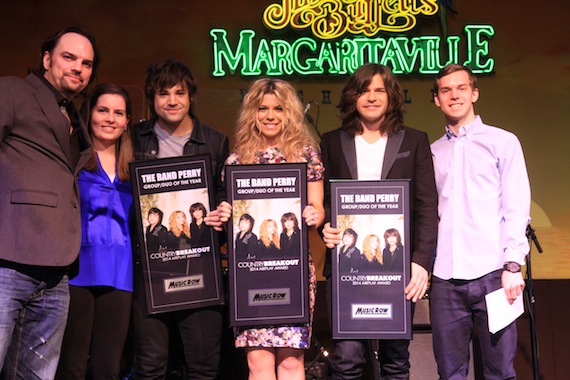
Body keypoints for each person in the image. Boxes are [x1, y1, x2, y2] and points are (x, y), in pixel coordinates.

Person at [320, 63, 438, 379]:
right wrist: (324, 228)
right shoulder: (330, 142)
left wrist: (421, 262)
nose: (371, 97)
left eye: (379, 90)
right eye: (363, 90)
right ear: (352, 97)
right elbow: (325, 204)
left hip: (397, 268)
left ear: (391, 96)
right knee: (346, 360)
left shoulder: (414, 141)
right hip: (347, 268)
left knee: (395, 359)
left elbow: (427, 206)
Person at [206, 78, 325, 380]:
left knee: (290, 363)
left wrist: (314, 214)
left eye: (278, 109)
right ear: (252, 113)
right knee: (258, 363)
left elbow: (318, 209)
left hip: (293, 272)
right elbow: (230, 214)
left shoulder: (306, 154)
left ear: (290, 113)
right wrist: (225, 213)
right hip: (250, 274)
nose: (270, 115)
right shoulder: (236, 160)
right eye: (263, 108)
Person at [0, 25, 98, 378]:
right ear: (46, 59)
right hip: (9, 259)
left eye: (86, 63)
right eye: (69, 57)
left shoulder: (73, 116)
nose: (78, 68)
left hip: (56, 271)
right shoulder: (12, 90)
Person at [430, 63, 530, 379]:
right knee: (450, 373)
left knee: (500, 371)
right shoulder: (432, 152)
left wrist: (513, 265)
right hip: (446, 279)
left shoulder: (503, 142)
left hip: (495, 274)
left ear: (474, 93)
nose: (454, 95)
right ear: (437, 99)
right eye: (446, 90)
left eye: (461, 88)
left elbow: (516, 206)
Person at [131, 59, 229, 380]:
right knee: (150, 365)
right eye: (163, 94)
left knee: (203, 367)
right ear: (152, 98)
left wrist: (224, 213)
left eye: (180, 93)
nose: (172, 101)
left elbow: (223, 196)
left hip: (201, 270)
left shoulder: (214, 141)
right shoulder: (134, 139)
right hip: (149, 272)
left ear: (191, 97)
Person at [56, 83, 134, 380]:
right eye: (103, 110)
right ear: (90, 115)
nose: (110, 119)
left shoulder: (135, 170)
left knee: (108, 368)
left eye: (118, 113)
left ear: (127, 121)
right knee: (72, 366)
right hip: (77, 271)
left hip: (121, 275)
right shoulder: (74, 163)